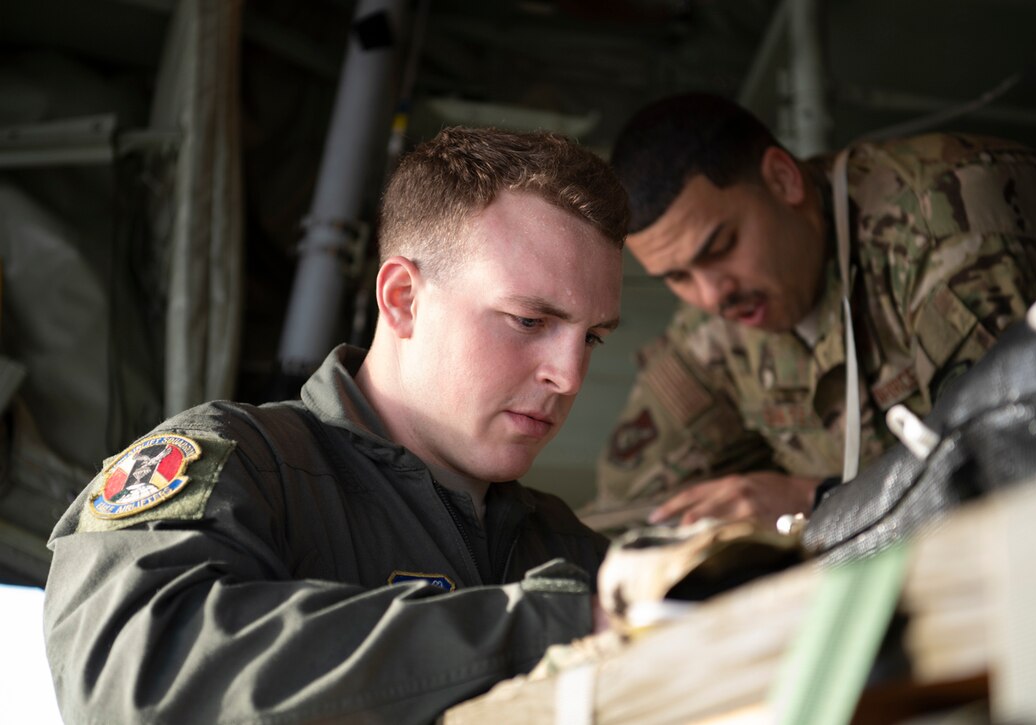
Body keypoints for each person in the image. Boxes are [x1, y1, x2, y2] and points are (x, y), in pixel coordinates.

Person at [43, 126, 628, 724]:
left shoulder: (579, 555)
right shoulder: (246, 469)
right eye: (529, 321)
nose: (569, 376)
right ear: (402, 299)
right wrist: (549, 628)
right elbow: (139, 683)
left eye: (592, 338)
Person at [584, 92, 1036, 533]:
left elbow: (1010, 462)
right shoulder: (710, 328)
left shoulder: (945, 227)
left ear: (783, 180)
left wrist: (816, 501)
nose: (713, 295)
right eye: (677, 277)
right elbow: (633, 506)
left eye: (720, 247)